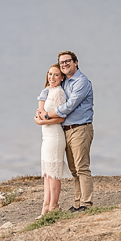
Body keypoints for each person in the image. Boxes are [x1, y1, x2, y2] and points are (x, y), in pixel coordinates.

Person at [36, 51, 94, 211]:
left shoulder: (81, 82)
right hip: (66, 130)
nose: (65, 64)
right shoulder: (66, 82)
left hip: (81, 128)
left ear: (76, 62)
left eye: (68, 61)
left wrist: (46, 115)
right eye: (62, 63)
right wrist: (39, 112)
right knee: (74, 169)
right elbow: (48, 90)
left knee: (82, 167)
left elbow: (69, 106)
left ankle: (86, 204)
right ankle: (77, 203)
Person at [34, 64, 69, 217]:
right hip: (46, 137)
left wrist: (43, 121)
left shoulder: (59, 93)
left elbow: (61, 117)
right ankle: (45, 208)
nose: (52, 78)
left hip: (55, 136)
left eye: (56, 75)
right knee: (47, 173)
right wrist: (41, 118)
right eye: (50, 74)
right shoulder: (48, 92)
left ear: (62, 77)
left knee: (54, 173)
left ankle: (54, 206)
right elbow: (41, 112)